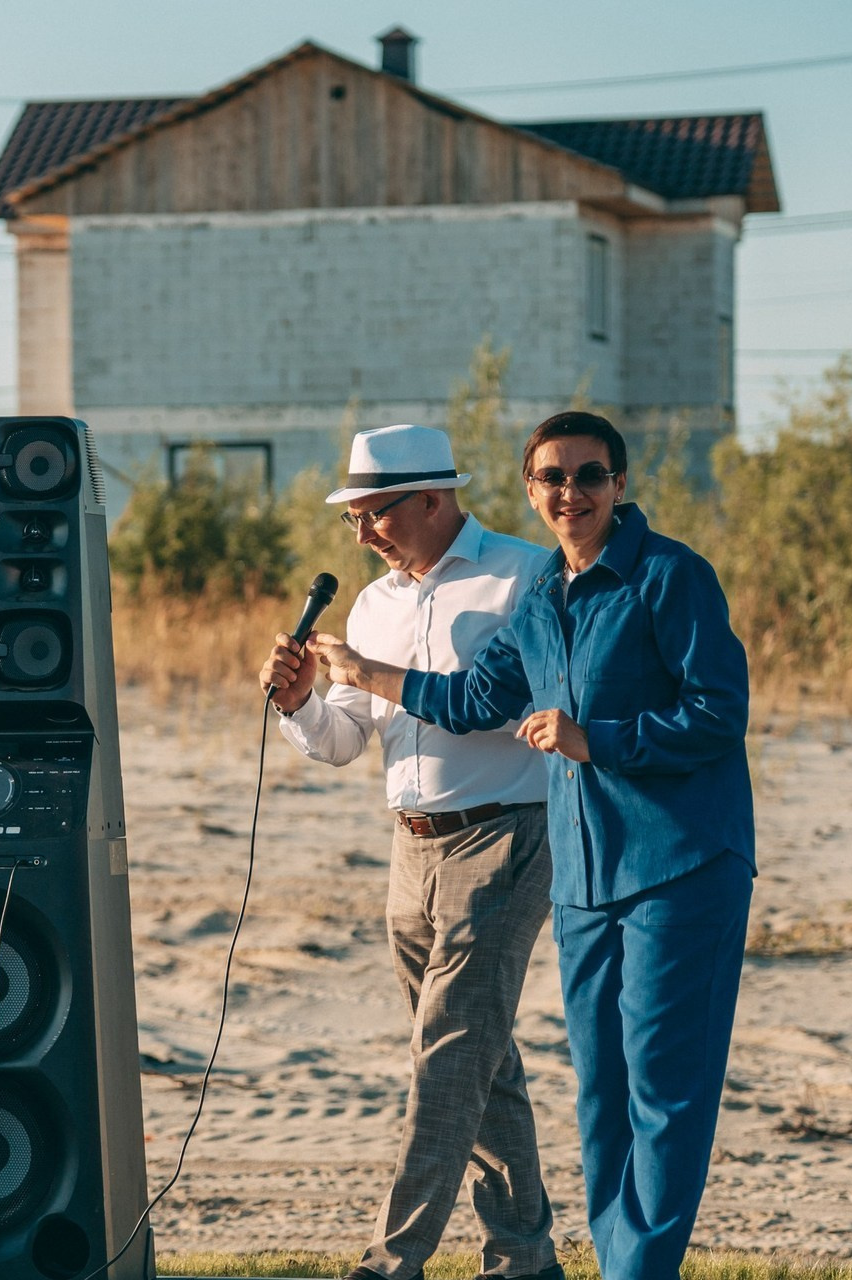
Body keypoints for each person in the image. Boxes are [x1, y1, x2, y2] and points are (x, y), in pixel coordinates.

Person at [312, 411, 756, 1280]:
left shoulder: (671, 576)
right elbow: (474, 698)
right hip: (585, 874)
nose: (570, 493)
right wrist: (352, 677)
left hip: (680, 865)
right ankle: (562, 1260)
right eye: (553, 478)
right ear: (530, 489)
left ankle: (630, 1270)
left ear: (619, 485)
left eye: (590, 476)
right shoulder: (543, 595)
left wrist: (602, 740)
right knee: (600, 1097)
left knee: (665, 1094)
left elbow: (719, 713)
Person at [259, 424, 564, 1280]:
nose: (361, 533)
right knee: (480, 1060)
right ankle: (526, 1261)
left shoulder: (524, 576)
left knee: (447, 1057)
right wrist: (300, 704)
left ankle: (392, 1263)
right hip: (410, 849)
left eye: (372, 514)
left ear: (432, 499)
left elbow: (502, 703)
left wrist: (362, 672)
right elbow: (344, 742)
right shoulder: (371, 606)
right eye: (353, 518)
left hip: (506, 833)